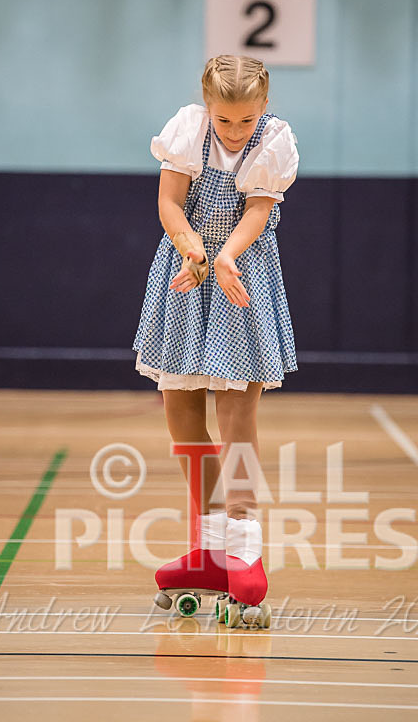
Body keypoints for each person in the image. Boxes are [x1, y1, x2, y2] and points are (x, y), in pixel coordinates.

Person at [132, 54, 299, 626]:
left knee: (238, 421)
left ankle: (244, 551)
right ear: (207, 108)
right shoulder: (187, 130)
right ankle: (208, 549)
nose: (234, 130)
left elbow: (256, 213)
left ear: (264, 108)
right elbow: (170, 203)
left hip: (241, 279)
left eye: (245, 120)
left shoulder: (275, 141)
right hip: (187, 273)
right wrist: (192, 246)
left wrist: (225, 254)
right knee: (181, 417)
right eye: (224, 120)